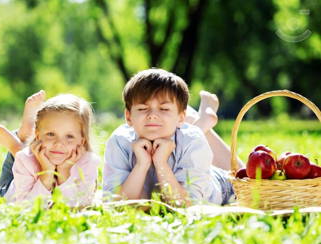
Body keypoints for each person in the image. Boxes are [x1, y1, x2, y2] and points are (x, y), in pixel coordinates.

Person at [103, 68, 244, 207]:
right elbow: (118, 204)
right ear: (128, 117)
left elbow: (187, 204)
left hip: (217, 184)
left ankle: (202, 122)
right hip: (184, 158)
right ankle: (202, 122)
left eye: (164, 109)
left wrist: (161, 163)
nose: (152, 114)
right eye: (142, 108)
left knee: (245, 176)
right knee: (190, 135)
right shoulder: (119, 141)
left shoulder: (192, 139)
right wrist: (141, 164)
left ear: (182, 117)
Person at [0, 92, 100, 207]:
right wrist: (46, 174)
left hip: (26, 157)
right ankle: (20, 141)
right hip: (11, 194)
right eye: (51, 134)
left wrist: (64, 172)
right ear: (37, 135)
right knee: (18, 162)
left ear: (82, 140)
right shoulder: (25, 159)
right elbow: (26, 208)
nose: (59, 143)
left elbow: (78, 206)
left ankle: (19, 141)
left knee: (21, 153)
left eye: (69, 136)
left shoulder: (88, 162)